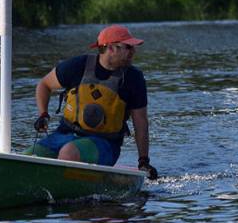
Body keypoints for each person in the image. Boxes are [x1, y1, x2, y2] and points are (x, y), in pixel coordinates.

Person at [31, 24, 158, 179]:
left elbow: (141, 122)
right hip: (64, 135)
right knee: (28, 157)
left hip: (105, 144)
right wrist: (43, 113)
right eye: (128, 47)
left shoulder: (133, 78)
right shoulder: (77, 66)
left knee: (68, 153)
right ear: (111, 48)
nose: (133, 51)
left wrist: (143, 161)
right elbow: (44, 85)